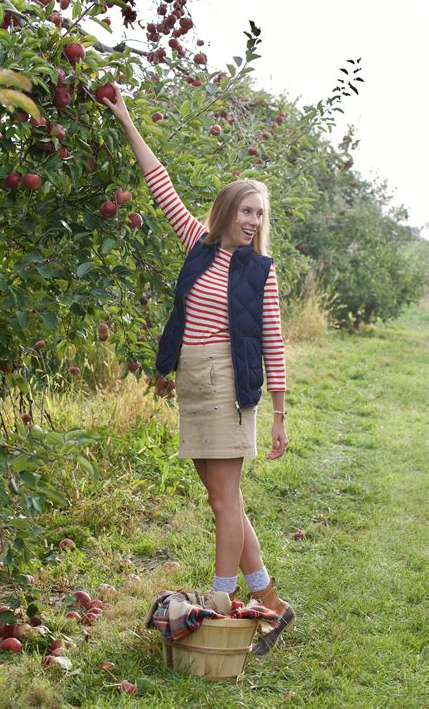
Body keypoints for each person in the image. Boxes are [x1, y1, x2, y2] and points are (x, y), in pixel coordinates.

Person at [104, 85, 295, 653]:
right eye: (246, 210)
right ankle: (273, 607)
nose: (253, 220)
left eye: (259, 214)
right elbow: (158, 182)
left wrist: (280, 414)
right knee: (221, 498)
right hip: (191, 380)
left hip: (228, 385)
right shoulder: (199, 244)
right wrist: (124, 117)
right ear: (227, 211)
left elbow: (275, 343)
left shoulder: (261, 271)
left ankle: (219, 603)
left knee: (224, 500)